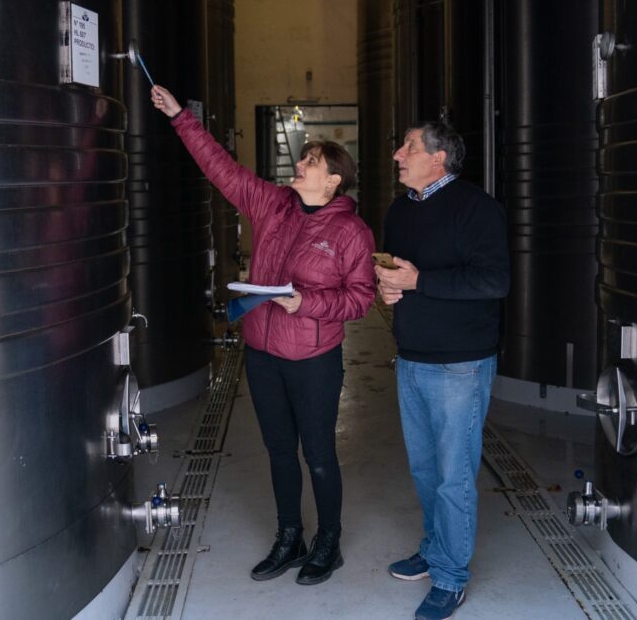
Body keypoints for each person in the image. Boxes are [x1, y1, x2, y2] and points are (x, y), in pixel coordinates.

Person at [150, 85, 376, 585]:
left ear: (334, 179)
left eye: (312, 160)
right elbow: (221, 169)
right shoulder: (273, 205)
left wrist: (306, 302)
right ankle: (289, 535)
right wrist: (179, 116)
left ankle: (329, 543)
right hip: (263, 354)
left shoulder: (352, 233)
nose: (301, 162)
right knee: (278, 451)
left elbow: (361, 299)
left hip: (314, 358)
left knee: (318, 454)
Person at [375, 122, 509, 620]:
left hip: (460, 364)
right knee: (425, 469)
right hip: (411, 357)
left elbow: (494, 280)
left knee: (453, 478)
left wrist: (419, 280)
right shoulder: (401, 209)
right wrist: (387, 287)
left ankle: (451, 578)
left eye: (408, 147)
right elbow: (397, 275)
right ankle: (435, 552)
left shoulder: (476, 208)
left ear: (439, 158)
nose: (397, 155)